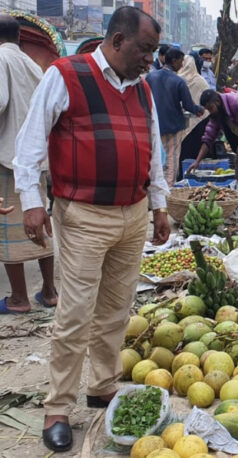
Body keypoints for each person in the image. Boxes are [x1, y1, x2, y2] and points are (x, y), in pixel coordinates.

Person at [14, 6, 170, 452]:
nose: (149, 60)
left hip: (132, 212)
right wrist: (31, 203)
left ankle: (102, 385)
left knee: (116, 310)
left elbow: (153, 148)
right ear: (118, 41)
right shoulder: (66, 75)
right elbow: (30, 142)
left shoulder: (142, 89)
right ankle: (58, 407)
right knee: (75, 314)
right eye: (144, 50)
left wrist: (159, 206)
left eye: (154, 52)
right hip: (83, 215)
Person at [0, 14, 58, 314]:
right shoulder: (31, 65)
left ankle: (19, 298)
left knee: (10, 229)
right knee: (40, 224)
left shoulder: (0, 59)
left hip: (8, 157)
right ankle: (49, 291)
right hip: (35, 158)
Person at [146, 47, 204, 185]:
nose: (182, 64)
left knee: (155, 157)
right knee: (171, 158)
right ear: (174, 61)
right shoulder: (178, 81)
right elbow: (189, 105)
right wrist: (199, 109)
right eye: (181, 61)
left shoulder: (150, 77)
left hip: (153, 125)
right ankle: (169, 189)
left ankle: (153, 186)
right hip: (173, 126)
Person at [177, 54, 211, 180]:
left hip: (186, 122)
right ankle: (192, 177)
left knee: (183, 152)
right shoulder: (200, 80)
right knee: (194, 150)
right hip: (200, 121)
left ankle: (183, 177)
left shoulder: (178, 79)